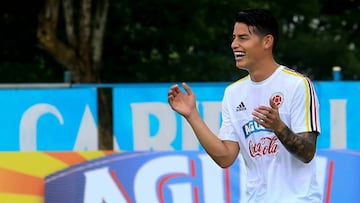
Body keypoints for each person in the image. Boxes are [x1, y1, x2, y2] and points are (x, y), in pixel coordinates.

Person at [167, 8, 321, 203]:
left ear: (267, 41)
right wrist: (192, 115)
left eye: (243, 38)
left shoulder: (297, 84)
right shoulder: (233, 93)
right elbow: (225, 157)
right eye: (233, 38)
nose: (234, 44)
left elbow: (307, 152)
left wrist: (278, 127)